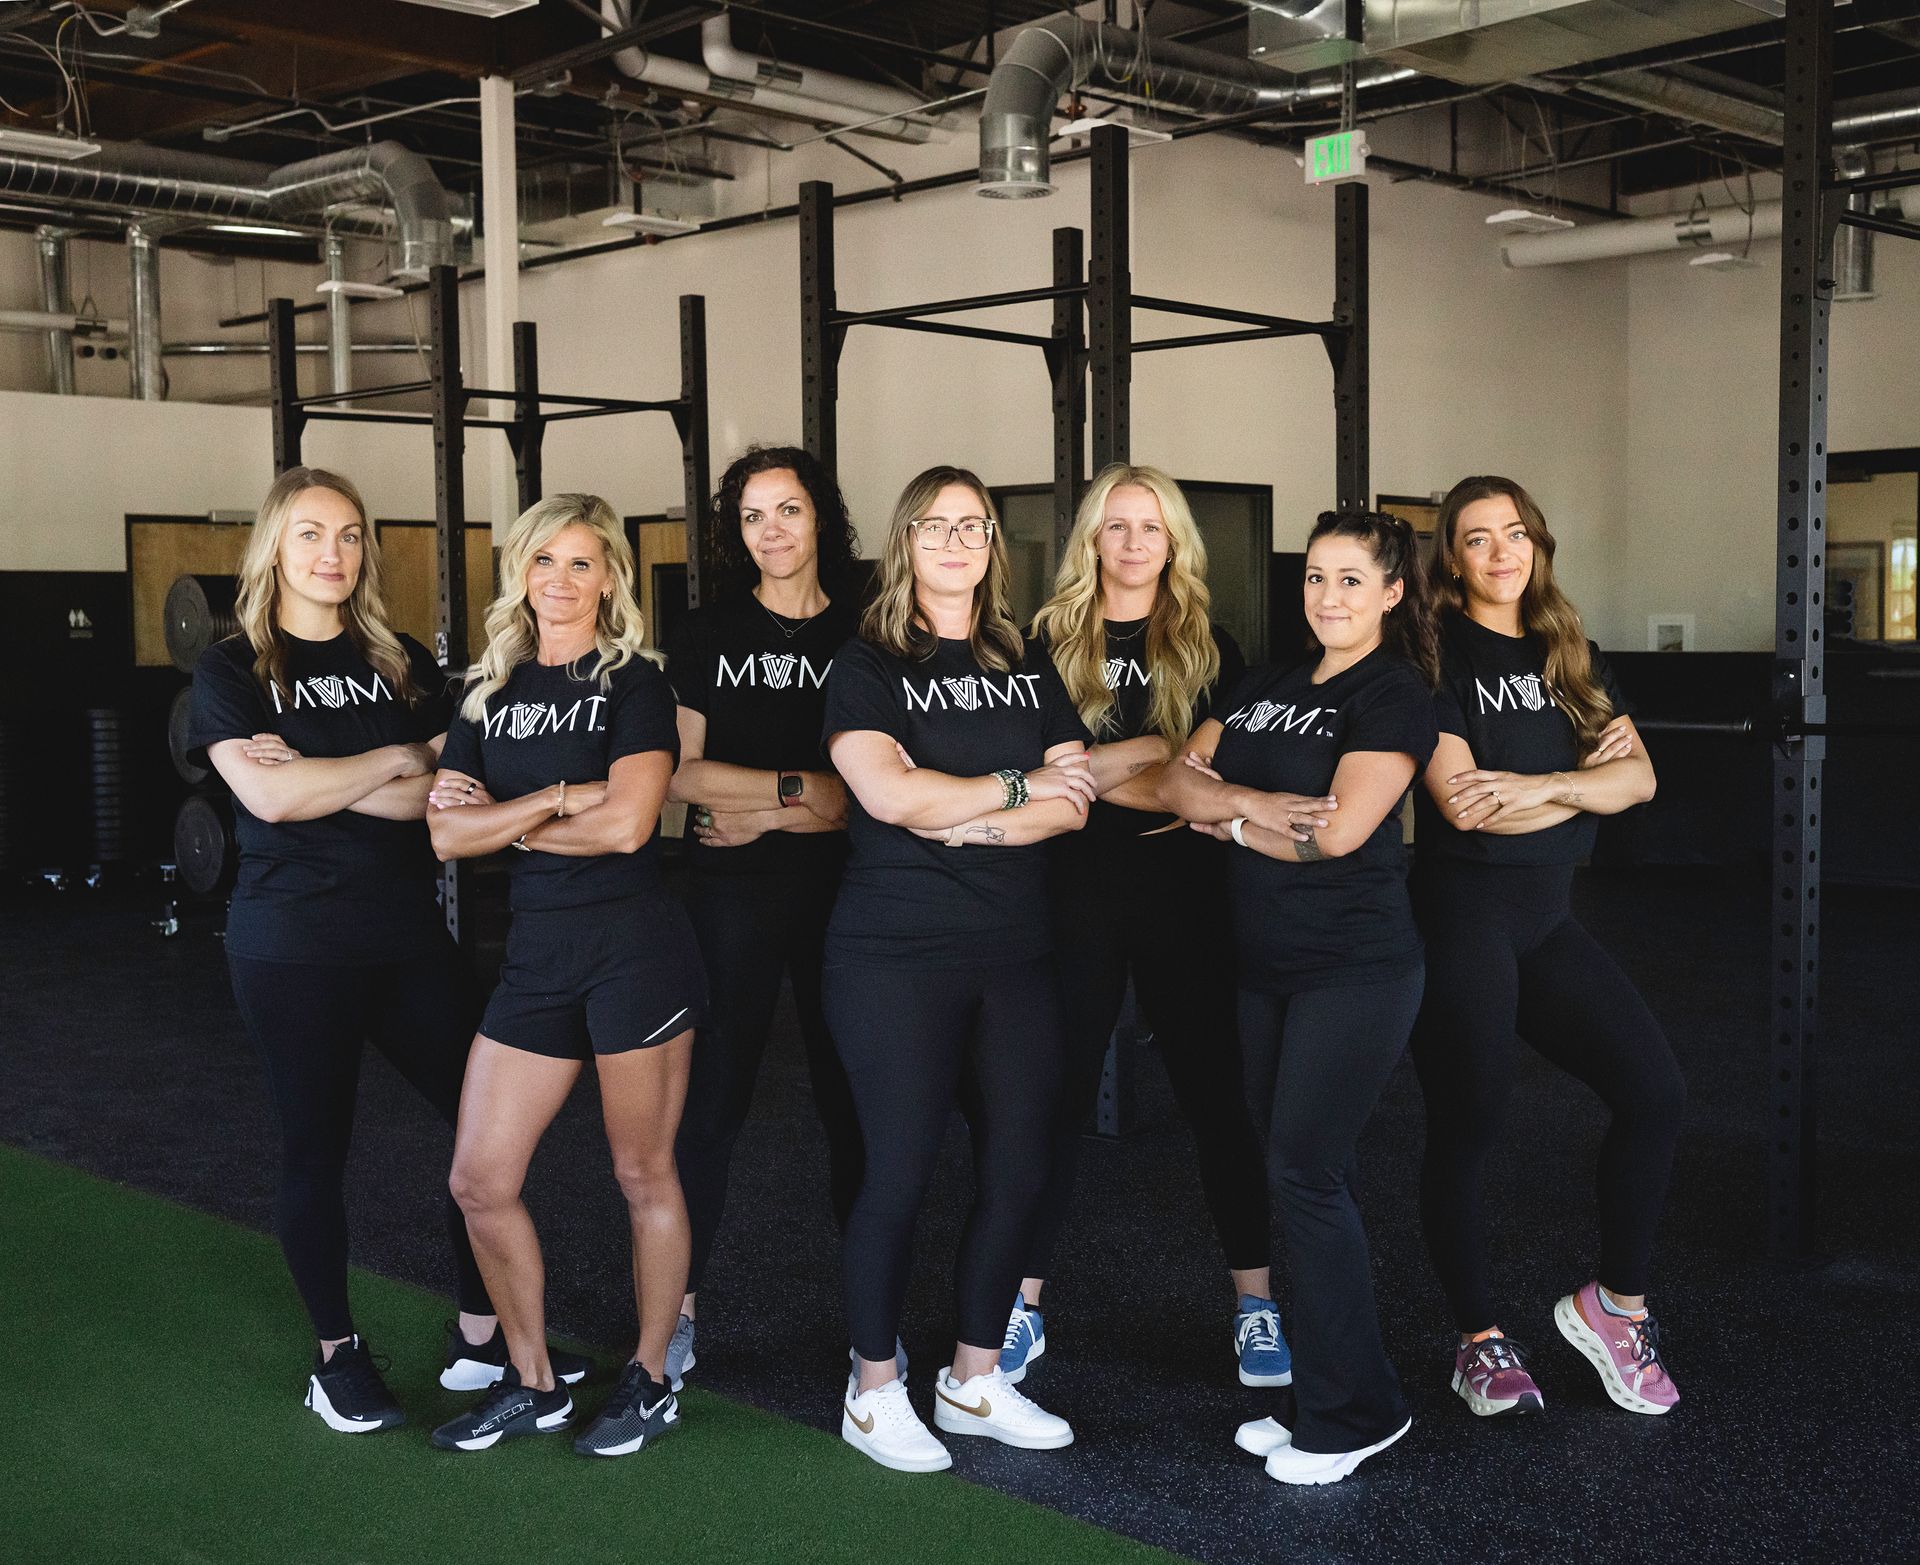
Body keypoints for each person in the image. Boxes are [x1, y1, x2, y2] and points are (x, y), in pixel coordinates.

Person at [188, 465, 571, 1436]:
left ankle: (480, 1335)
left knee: (483, 1128)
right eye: (311, 533)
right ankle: (337, 1357)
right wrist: (398, 758)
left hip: (406, 938)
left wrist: (338, 773)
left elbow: (445, 795)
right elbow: (268, 798)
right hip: (292, 947)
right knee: (316, 1148)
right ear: (275, 546)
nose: (334, 553)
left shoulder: (398, 662)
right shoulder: (234, 670)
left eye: (350, 534)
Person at [822, 466, 1094, 1473]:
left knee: (1020, 1166)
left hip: (1015, 953)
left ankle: (974, 1378)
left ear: (992, 545)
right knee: (897, 1170)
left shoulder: (1026, 658)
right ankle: (873, 1388)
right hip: (894, 955)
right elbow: (890, 796)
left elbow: (1076, 800)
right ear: (907, 541)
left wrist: (968, 812)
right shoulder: (867, 663)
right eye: (936, 525)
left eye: (973, 525)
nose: (955, 540)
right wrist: (1015, 786)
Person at [1160, 508, 1438, 1487]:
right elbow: (1176, 780)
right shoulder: (1268, 685)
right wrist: (1249, 803)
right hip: (1265, 969)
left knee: (1305, 1172)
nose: (1328, 595)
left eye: (1352, 580)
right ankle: (1331, 1390)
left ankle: (1357, 1413)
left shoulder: (1395, 693)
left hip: (1354, 968)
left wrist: (1233, 826)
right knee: (1307, 1177)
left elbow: (1340, 832)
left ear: (1393, 592)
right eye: (1317, 576)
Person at [425, 493, 705, 1459]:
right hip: (536, 956)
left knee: (642, 1171)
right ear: (520, 571)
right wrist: (556, 797)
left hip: (635, 950)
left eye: (581, 562)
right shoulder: (487, 689)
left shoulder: (636, 684)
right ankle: (534, 1378)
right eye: (543, 559)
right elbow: (446, 834)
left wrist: (506, 821)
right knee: (478, 1179)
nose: (560, 579)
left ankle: (651, 1377)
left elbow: (628, 825)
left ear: (610, 577)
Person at [1410, 474, 1682, 1419]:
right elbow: (1466, 804)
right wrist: (1579, 785)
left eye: (1515, 532)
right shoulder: (1431, 650)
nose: (1501, 552)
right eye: (1478, 538)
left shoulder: (1571, 650)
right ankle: (1477, 1340)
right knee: (1471, 1123)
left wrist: (1546, 788)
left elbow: (1640, 780)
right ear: (1452, 558)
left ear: (1538, 543)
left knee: (1655, 1092)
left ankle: (1616, 1306)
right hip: (1460, 919)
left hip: (1548, 920)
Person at [1014, 463, 1277, 1387]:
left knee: (1218, 1102)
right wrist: (1158, 757)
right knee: (1052, 1102)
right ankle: (1019, 1305)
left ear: (1175, 543)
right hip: (1071, 895)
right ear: (1092, 537)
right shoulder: (1042, 643)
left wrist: (1092, 772)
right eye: (1117, 525)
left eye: (1152, 527)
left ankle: (1256, 1305)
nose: (1133, 543)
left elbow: (1197, 782)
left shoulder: (1214, 648)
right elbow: (1045, 777)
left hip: (1186, 899)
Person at [663, 445, 863, 1390]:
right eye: (751, 515)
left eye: (787, 509)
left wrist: (769, 810)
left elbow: (875, 791)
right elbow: (683, 775)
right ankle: (675, 1314)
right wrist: (802, 791)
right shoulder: (708, 630)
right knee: (709, 1104)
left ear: (820, 515)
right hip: (729, 894)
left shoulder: (868, 627)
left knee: (854, 1105)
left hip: (848, 894)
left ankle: (872, 1328)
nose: (771, 530)